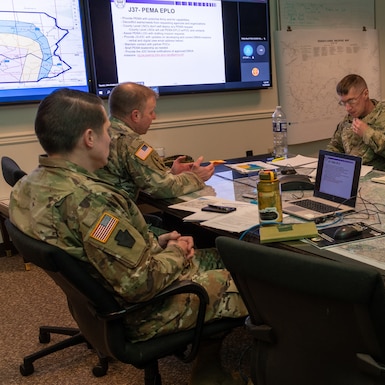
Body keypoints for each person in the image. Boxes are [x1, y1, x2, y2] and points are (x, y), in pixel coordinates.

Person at [10, 89, 247, 384]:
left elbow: (98, 249)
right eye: (108, 130)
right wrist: (175, 251)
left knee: (223, 255)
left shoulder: (27, 186)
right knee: (252, 280)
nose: (112, 137)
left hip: (99, 303)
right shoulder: (90, 200)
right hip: (142, 312)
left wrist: (158, 242)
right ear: (89, 138)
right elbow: (139, 283)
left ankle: (209, 359)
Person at [96, 82, 215, 200]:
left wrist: (171, 173)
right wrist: (196, 177)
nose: (154, 117)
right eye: (151, 112)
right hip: (118, 214)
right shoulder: (131, 144)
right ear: (136, 115)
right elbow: (162, 188)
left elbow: (142, 176)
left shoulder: (99, 132)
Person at [326, 74, 385, 172]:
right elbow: (335, 147)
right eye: (344, 103)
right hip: (350, 175)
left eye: (351, 101)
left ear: (365, 94)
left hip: (378, 179)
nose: (348, 108)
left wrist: (368, 134)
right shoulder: (349, 119)